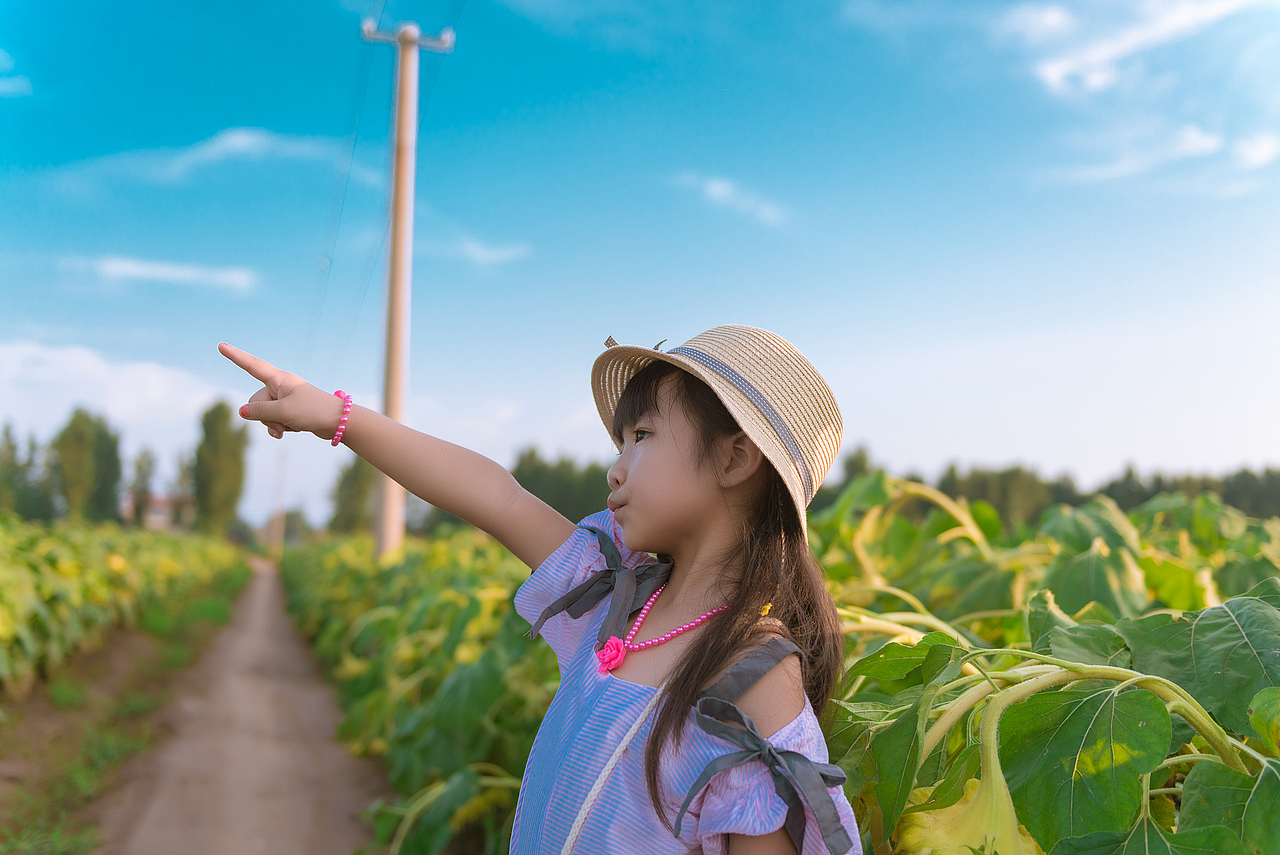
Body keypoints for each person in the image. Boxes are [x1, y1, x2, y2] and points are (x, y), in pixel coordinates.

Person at [219, 325, 861, 855]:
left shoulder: (752, 678)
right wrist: (336, 415)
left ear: (734, 459)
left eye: (642, 437)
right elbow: (495, 495)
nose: (616, 467)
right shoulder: (617, 600)